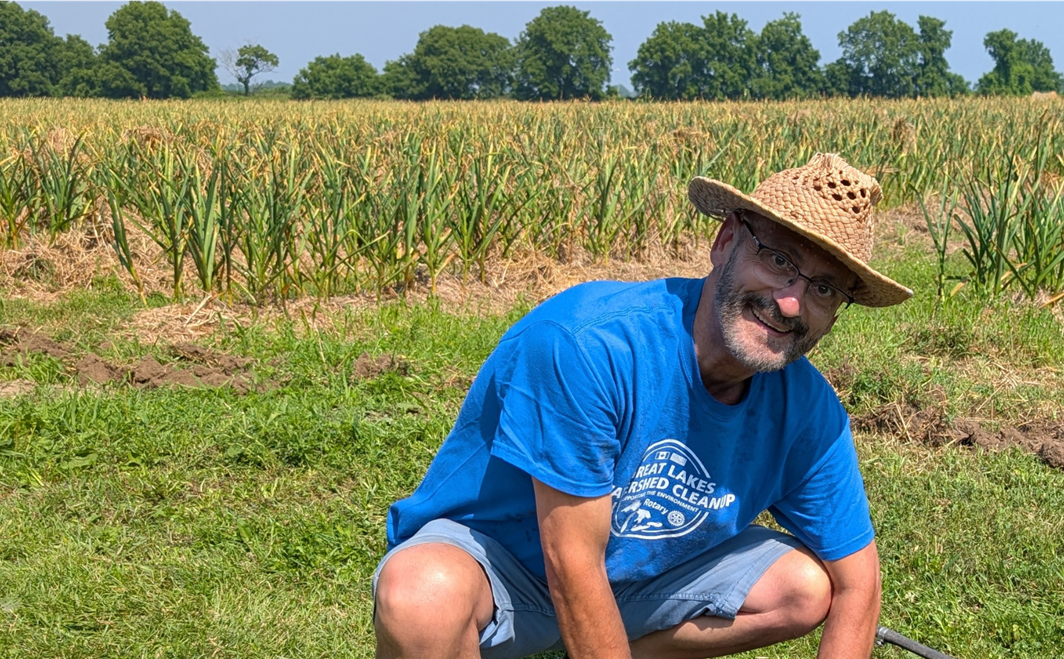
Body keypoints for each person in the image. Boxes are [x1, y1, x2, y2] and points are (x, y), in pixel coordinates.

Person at [371, 154, 911, 659]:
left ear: (835, 315)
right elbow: (571, 561)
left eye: (823, 289)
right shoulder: (588, 344)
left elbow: (859, 581)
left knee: (804, 587)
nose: (791, 302)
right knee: (422, 595)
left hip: (636, 583)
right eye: (777, 260)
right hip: (504, 569)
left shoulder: (808, 409)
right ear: (725, 241)